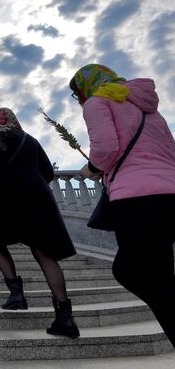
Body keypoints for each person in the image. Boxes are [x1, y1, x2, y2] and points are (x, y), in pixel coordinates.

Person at [70, 64, 175, 346]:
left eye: (76, 93)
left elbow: (105, 148)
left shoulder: (97, 102)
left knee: (129, 271)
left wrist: (90, 169)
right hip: (170, 194)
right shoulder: (149, 108)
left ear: (85, 86)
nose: (78, 99)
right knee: (162, 277)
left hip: (135, 199)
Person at [0, 108, 79, 338]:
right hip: (38, 196)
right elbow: (47, 171)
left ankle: (16, 295)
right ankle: (65, 318)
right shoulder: (30, 139)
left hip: (10, 197)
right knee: (44, 252)